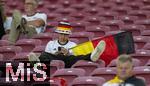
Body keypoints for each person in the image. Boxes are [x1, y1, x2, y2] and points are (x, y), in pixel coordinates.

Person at [28, 21, 105, 68]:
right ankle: (37, 63)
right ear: (58, 34)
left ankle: (92, 56)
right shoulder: (51, 44)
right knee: (44, 54)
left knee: (74, 57)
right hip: (52, 61)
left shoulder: (72, 44)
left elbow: (75, 58)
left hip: (67, 62)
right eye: (61, 34)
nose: (63, 36)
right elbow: (48, 55)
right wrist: (55, 54)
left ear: (68, 35)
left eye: (65, 35)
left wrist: (68, 53)